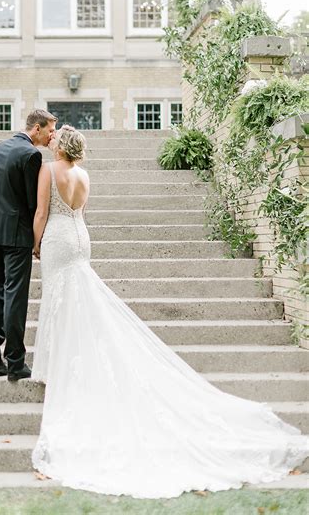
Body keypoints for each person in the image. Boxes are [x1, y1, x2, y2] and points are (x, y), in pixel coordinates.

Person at [31, 124, 308, 499]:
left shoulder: (49, 170)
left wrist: (34, 244)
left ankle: (59, 362)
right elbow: (80, 211)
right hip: (81, 238)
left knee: (60, 296)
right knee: (79, 295)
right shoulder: (84, 174)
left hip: (58, 239)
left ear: (59, 146)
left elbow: (42, 211)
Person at [0, 109, 56, 382]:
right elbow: (34, 204)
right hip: (17, 236)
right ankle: (16, 362)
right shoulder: (32, 155)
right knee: (15, 298)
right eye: (49, 131)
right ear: (36, 129)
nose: (50, 136)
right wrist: (37, 240)